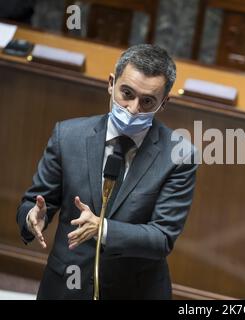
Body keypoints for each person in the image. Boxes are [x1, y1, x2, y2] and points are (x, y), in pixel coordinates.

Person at [16, 44, 198, 299]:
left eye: (147, 101)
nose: (133, 109)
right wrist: (33, 216)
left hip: (134, 290)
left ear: (164, 102)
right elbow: (34, 203)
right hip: (67, 283)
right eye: (127, 93)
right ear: (111, 84)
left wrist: (103, 229)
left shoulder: (180, 156)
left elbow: (162, 238)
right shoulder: (67, 136)